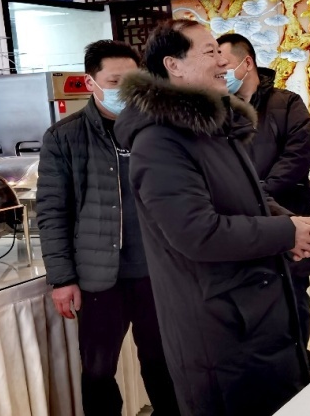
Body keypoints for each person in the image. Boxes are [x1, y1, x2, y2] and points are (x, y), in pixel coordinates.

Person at [114, 20, 310, 416]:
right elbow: (197, 232)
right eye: (210, 52)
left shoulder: (214, 129)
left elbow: (250, 197)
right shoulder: (159, 141)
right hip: (220, 331)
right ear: (174, 65)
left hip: (255, 317)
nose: (223, 62)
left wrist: (291, 225)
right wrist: (283, 232)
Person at [36, 40, 180, 416]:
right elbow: (52, 212)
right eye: (115, 82)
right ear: (91, 83)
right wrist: (62, 278)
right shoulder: (64, 137)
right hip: (99, 278)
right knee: (98, 371)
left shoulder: (160, 127)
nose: (125, 90)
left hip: (157, 273)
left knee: (165, 364)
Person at [216, 33, 310, 370]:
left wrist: (259, 194)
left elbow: (298, 156)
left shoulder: (286, 104)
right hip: (246, 228)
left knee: (294, 301)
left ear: (247, 63)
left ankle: (301, 368)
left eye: (225, 65)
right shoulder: (220, 112)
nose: (220, 72)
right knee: (255, 308)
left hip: (289, 218)